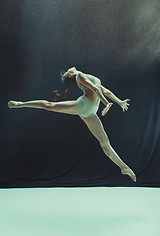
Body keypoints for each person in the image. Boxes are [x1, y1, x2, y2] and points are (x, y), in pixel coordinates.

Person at [8, 67, 136, 182]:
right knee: (50, 105)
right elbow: (96, 89)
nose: (71, 68)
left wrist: (120, 102)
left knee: (104, 142)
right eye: (69, 70)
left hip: (90, 111)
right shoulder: (79, 75)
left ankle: (124, 167)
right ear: (70, 75)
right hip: (85, 105)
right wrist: (106, 103)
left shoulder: (84, 76)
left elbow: (104, 90)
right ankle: (20, 104)